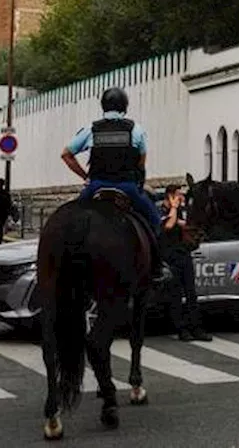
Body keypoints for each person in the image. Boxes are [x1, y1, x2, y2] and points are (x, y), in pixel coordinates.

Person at [61, 86, 168, 282]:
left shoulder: (91, 130)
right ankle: (158, 266)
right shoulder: (136, 130)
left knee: (70, 219)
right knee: (154, 220)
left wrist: (85, 176)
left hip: (96, 186)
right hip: (127, 187)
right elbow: (141, 163)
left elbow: (66, 154)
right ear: (124, 106)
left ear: (103, 106)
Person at [160, 184, 211, 341]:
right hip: (170, 257)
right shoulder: (162, 210)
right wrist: (174, 208)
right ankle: (181, 329)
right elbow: (168, 226)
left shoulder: (181, 211)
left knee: (191, 293)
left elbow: (187, 225)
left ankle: (196, 327)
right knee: (176, 295)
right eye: (178, 195)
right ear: (170, 196)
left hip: (184, 254)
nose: (181, 198)